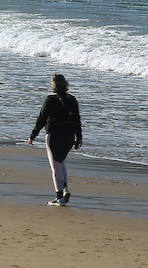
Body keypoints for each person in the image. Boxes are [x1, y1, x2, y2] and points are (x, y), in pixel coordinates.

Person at [28, 73, 83, 206]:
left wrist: (32, 135)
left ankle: (60, 197)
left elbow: (41, 119)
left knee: (55, 166)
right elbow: (77, 120)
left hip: (54, 135)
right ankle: (64, 188)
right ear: (66, 84)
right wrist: (79, 137)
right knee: (61, 162)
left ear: (53, 85)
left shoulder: (50, 100)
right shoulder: (72, 99)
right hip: (69, 136)